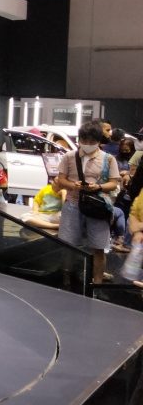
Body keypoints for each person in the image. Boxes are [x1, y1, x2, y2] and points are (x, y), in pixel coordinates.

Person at [53, 120, 121, 284]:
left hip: (97, 206)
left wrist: (98, 186)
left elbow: (114, 183)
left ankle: (97, 282)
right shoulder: (69, 157)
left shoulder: (108, 159)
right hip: (73, 204)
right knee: (68, 245)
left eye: (92, 141)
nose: (88, 144)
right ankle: (66, 278)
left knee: (99, 247)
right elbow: (60, 180)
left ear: (98, 140)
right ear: (79, 139)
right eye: (84, 140)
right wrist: (73, 185)